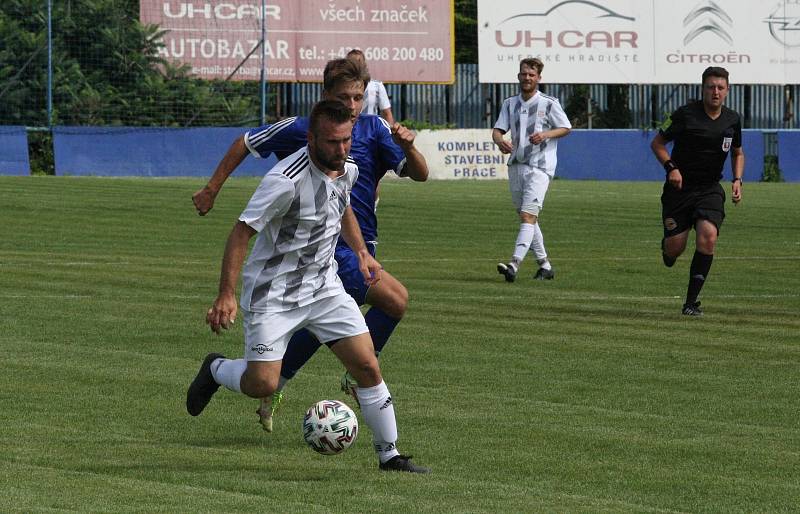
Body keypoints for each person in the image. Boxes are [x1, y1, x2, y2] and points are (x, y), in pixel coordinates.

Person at [186, 100, 430, 474]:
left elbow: (342, 204)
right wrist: (226, 294)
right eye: (333, 142)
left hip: (324, 287)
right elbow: (240, 234)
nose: (342, 149)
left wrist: (362, 252)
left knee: (367, 365)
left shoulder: (346, 168)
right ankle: (217, 369)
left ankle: (390, 455)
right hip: (274, 293)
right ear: (311, 139)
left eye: (347, 140)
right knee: (262, 383)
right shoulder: (284, 181)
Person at [650, 66, 744, 316]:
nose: (715, 92)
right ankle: (668, 247)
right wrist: (671, 168)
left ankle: (691, 303)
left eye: (720, 88)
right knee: (674, 250)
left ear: (727, 90)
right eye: (711, 87)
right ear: (702, 89)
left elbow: (737, 152)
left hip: (709, 189)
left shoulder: (733, 119)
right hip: (679, 190)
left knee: (708, 236)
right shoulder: (684, 114)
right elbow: (657, 143)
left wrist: (737, 179)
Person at [492, 58, 571, 283]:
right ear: (518, 76)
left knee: (528, 215)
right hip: (516, 166)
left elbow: (566, 127)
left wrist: (545, 134)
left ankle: (514, 264)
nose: (527, 78)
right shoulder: (509, 103)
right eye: (524, 74)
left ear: (538, 78)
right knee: (527, 218)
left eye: (532, 75)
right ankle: (545, 266)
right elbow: (497, 130)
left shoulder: (549, 103)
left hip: (540, 167)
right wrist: (500, 142)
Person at [347, 48, 395, 125]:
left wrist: (389, 135)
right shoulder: (340, 86)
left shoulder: (377, 85)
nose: (356, 66)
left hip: (370, 133)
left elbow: (387, 114)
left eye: (359, 62)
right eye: (352, 63)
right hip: (347, 132)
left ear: (364, 64)